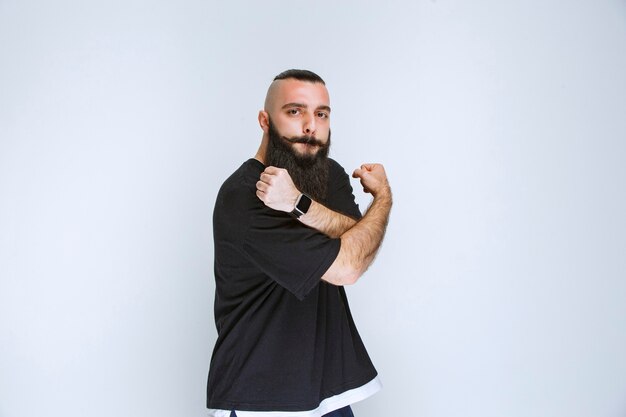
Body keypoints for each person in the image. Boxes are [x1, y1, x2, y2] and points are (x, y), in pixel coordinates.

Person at [207, 69, 392, 417]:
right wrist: (381, 199)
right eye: (295, 111)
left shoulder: (330, 174)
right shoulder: (244, 197)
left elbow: (358, 239)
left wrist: (300, 203)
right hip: (262, 400)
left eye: (321, 113)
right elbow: (348, 266)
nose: (310, 125)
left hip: (329, 397)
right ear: (265, 120)